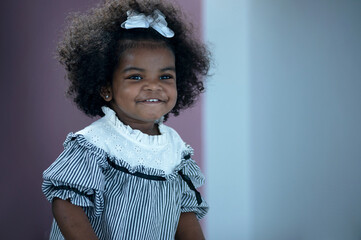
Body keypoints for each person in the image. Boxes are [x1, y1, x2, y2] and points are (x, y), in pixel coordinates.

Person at [42, 0, 210, 239]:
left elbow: (184, 212)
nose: (153, 86)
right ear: (106, 88)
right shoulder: (94, 144)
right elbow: (66, 203)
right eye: (136, 76)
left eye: (165, 76)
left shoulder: (175, 149)